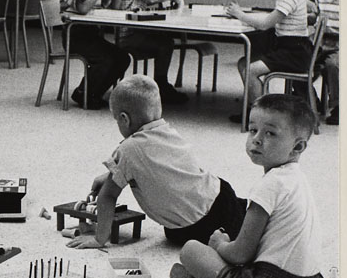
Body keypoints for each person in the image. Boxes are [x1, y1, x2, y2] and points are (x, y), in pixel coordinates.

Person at [170, 94, 331, 278]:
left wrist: (219, 245)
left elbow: (241, 254)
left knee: (191, 250)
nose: (256, 139)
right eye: (253, 129)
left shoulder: (269, 185)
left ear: (297, 147)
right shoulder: (298, 181)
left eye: (270, 133)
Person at [66, 76, 246, 250]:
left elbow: (108, 196)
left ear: (124, 119)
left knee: (181, 235)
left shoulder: (127, 149)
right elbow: (159, 168)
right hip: (221, 194)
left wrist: (99, 238)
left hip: (194, 226)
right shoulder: (166, 130)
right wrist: (110, 176)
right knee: (242, 217)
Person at [225, 0, 313, 121]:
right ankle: (256, 108)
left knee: (250, 70)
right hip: (285, 47)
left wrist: (240, 14)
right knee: (244, 64)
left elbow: (266, 24)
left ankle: (262, 118)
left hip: (294, 52)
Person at [110, 0, 188, 104]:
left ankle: (161, 83)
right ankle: (161, 84)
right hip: (131, 36)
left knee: (163, 39)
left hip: (127, 34)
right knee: (166, 44)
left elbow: (145, 2)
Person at [58, 0, 131, 109]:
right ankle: (84, 93)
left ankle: (93, 92)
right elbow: (83, 8)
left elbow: (115, 8)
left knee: (122, 58)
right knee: (104, 59)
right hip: (75, 37)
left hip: (93, 37)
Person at [315, 0, 340, 125]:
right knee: (299, 60)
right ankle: (309, 100)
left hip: (341, 43)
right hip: (321, 40)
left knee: (333, 65)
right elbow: (318, 14)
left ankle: (337, 106)